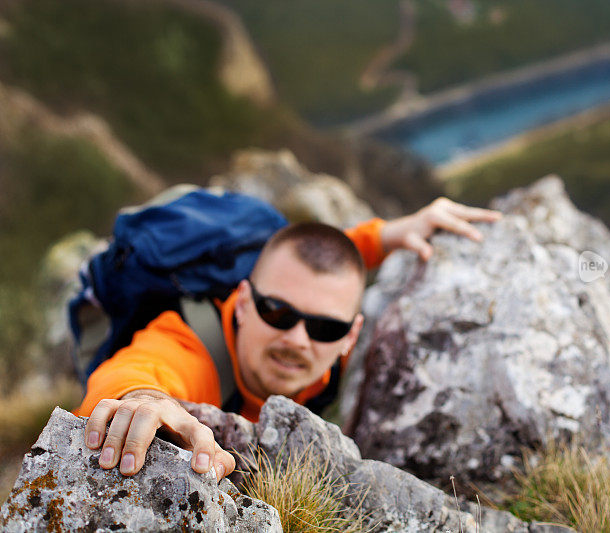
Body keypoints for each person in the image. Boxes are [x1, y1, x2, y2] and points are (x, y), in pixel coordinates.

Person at [76, 197, 501, 482]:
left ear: (351, 335)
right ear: (241, 302)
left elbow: (317, 275)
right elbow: (143, 367)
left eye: (326, 328)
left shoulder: (317, 323)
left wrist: (382, 237)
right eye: (278, 312)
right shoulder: (192, 344)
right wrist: (144, 400)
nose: (298, 339)